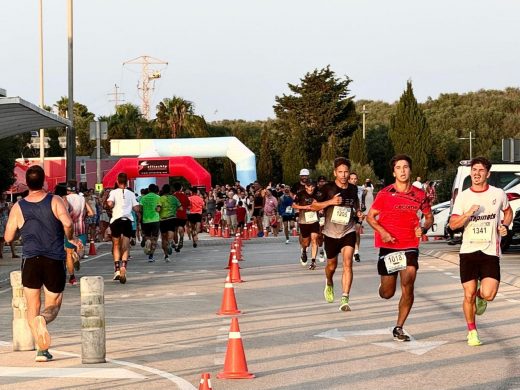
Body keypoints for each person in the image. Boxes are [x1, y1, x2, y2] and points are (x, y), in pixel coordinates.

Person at [4, 165, 82, 362]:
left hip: (30, 259)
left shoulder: (18, 207)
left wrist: (21, 231)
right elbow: (68, 224)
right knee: (53, 305)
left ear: (27, 183)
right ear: (44, 181)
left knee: (32, 306)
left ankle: (41, 350)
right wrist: (70, 238)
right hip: (54, 258)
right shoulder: (54, 200)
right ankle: (44, 321)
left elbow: (7, 237)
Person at [366, 154, 433, 342]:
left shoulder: (420, 195)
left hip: (410, 245)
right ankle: (384, 286)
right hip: (389, 246)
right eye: (398, 168)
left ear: (410, 170)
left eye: (405, 167)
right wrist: (383, 232)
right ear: (393, 171)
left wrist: (424, 228)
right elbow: (370, 217)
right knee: (387, 293)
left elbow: (429, 217)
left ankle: (399, 327)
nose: (402, 171)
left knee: (408, 283)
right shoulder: (385, 194)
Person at [448, 156, 512, 346]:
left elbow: (508, 212)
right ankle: (472, 331)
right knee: (467, 295)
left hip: (490, 251)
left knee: (489, 294)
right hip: (468, 251)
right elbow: (453, 224)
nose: (476, 174)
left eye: (480, 171)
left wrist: (505, 225)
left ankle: (480, 296)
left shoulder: (498, 194)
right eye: (474, 170)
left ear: (488, 174)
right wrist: (468, 214)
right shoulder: (464, 196)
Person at [311, 157, 363, 311]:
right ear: (335, 172)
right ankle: (329, 282)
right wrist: (330, 202)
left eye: (346, 171)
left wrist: (359, 212)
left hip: (348, 230)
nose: (344, 175)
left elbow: (356, 205)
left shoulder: (353, 189)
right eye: (340, 172)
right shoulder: (327, 188)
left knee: (348, 262)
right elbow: (313, 206)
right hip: (331, 232)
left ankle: (345, 298)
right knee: (331, 266)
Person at [106, 173, 140, 283]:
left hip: (116, 220)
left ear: (117, 181)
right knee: (126, 245)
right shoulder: (131, 193)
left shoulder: (113, 192)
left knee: (116, 245)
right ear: (127, 182)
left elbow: (110, 203)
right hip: (127, 221)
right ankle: (124, 266)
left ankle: (116, 269)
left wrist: (109, 205)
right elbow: (136, 208)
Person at [293, 181, 320, 270]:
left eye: (312, 187)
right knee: (306, 242)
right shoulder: (300, 194)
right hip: (304, 221)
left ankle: (313, 261)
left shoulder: (318, 194)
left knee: (314, 239)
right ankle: (304, 251)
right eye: (309, 187)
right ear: (305, 187)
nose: (311, 189)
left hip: (314, 220)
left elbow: (323, 204)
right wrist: (306, 207)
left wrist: (320, 208)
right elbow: (294, 205)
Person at [157, 184, 181, 262]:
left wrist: (157, 209)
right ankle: (171, 241)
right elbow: (181, 208)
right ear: (170, 190)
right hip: (172, 219)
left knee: (163, 238)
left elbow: (158, 209)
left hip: (163, 220)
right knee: (170, 235)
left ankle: (166, 255)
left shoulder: (160, 199)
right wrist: (174, 208)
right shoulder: (174, 198)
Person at [139, 184, 161, 262]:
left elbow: (140, 209)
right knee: (154, 239)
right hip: (155, 220)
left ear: (148, 189)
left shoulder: (143, 198)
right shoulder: (158, 197)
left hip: (146, 220)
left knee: (147, 236)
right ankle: (151, 256)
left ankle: (147, 241)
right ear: (155, 190)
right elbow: (159, 209)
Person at [349, 172, 365, 262]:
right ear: (348, 179)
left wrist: (361, 211)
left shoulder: (360, 190)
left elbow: (363, 203)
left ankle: (356, 252)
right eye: (351, 179)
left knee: (356, 232)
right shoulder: (344, 188)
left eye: (355, 179)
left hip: (357, 214)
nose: (353, 180)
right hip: (347, 214)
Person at [173, 182, 190, 252]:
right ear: (181, 188)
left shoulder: (172, 196)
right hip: (183, 215)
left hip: (174, 215)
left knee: (174, 230)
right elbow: (188, 205)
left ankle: (176, 243)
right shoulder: (184, 196)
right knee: (181, 227)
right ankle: (181, 238)